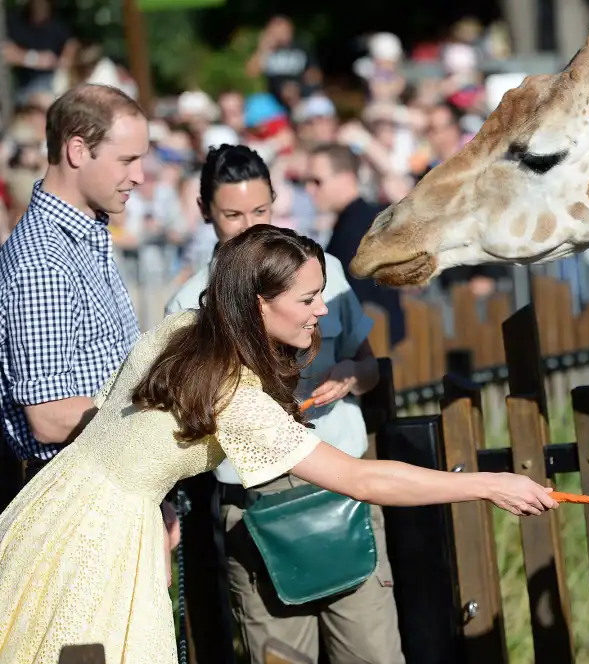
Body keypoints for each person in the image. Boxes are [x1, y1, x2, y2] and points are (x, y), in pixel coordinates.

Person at [0, 223, 558, 663]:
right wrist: (488, 484)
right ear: (259, 304)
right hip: (105, 534)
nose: (322, 310)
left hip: (54, 500)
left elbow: (117, 423)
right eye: (309, 298)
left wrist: (153, 490)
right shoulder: (234, 396)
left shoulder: (183, 331)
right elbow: (363, 479)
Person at [166, 144, 405, 663]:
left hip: (342, 482)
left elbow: (370, 367)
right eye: (233, 215)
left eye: (261, 211)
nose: (249, 225)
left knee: (373, 654)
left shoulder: (322, 270)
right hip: (258, 500)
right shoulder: (189, 304)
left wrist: (349, 375)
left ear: (277, 202)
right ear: (205, 210)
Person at [0, 83, 144, 483]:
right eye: (127, 160)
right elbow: (50, 414)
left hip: (105, 476)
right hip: (73, 486)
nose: (140, 176)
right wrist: (160, 425)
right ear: (77, 150)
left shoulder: (82, 236)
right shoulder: (44, 261)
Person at [307, 143, 406, 346]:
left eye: (317, 181)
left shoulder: (356, 229)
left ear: (346, 178)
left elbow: (351, 297)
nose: (310, 190)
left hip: (373, 346)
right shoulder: (362, 220)